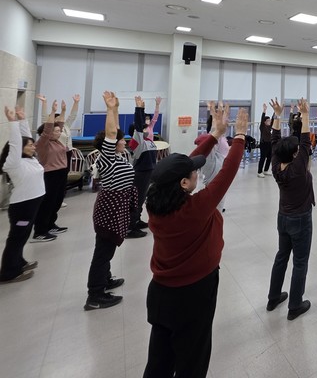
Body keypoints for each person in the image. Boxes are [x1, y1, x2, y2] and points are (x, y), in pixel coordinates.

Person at [142, 102, 247, 377]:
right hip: (193, 293)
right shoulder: (195, 209)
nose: (197, 173)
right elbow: (227, 173)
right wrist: (239, 136)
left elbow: (182, 166)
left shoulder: (156, 203)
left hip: (161, 294)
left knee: (159, 362)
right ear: (184, 184)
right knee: (193, 361)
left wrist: (215, 134)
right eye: (193, 173)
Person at [85, 91, 136, 310]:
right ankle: (95, 295)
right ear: (112, 143)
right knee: (102, 252)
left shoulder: (116, 156)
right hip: (109, 210)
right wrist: (109, 109)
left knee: (106, 249)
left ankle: (105, 279)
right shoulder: (107, 158)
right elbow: (112, 132)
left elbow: (116, 130)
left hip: (115, 206)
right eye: (120, 139)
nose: (123, 141)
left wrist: (116, 109)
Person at [267, 97, 315, 321]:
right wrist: (304, 114)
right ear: (296, 154)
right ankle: (295, 305)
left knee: (281, 256)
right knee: (300, 261)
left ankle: (273, 297)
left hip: (283, 218)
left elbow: (274, 140)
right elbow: (306, 142)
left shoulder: (276, 165)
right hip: (300, 219)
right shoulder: (297, 168)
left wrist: (278, 116)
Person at [0, 106, 44, 284]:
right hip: (23, 206)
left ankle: (19, 262)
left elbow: (25, 138)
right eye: (30, 145)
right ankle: (8, 272)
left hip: (33, 204)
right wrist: (13, 123)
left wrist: (22, 120)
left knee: (24, 235)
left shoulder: (30, 159)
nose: (34, 146)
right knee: (16, 238)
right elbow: (17, 143)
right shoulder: (14, 163)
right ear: (20, 149)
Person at [31, 95, 69, 242]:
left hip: (61, 173)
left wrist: (63, 111)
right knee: (47, 203)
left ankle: (50, 224)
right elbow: (48, 130)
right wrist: (52, 111)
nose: (59, 132)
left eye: (59, 131)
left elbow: (60, 124)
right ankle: (40, 231)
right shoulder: (43, 143)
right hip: (50, 174)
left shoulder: (57, 141)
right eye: (56, 131)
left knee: (57, 201)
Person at [127, 95, 161, 238]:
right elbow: (138, 126)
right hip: (140, 173)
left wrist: (143, 109)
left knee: (141, 199)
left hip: (148, 173)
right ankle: (130, 228)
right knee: (136, 200)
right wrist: (139, 109)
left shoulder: (148, 141)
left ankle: (137, 220)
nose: (147, 127)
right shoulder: (137, 142)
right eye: (144, 127)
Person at [257, 104, 273, 177]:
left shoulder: (270, 127)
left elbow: (273, 119)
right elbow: (262, 118)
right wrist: (264, 110)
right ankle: (259, 172)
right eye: (268, 120)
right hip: (263, 144)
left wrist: (275, 111)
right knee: (263, 158)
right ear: (264, 122)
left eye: (269, 120)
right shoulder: (262, 127)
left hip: (269, 143)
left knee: (269, 157)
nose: (269, 121)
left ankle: (266, 170)